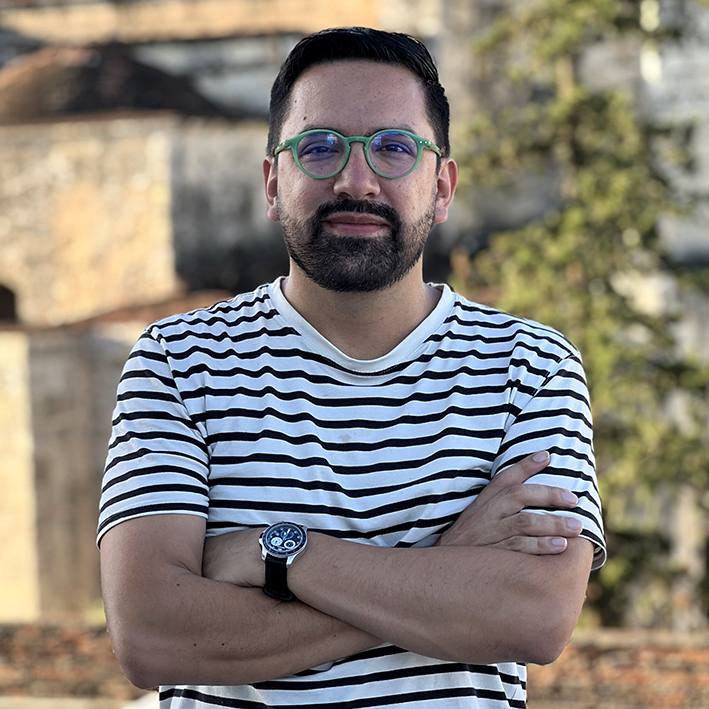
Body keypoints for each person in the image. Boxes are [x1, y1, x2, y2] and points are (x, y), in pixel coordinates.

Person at [98, 27, 606, 709]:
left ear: (442, 187)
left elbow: (534, 617)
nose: (356, 181)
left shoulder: (531, 365)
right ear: (273, 183)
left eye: (394, 148)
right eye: (319, 147)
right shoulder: (177, 361)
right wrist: (445, 568)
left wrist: (279, 553)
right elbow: (152, 635)